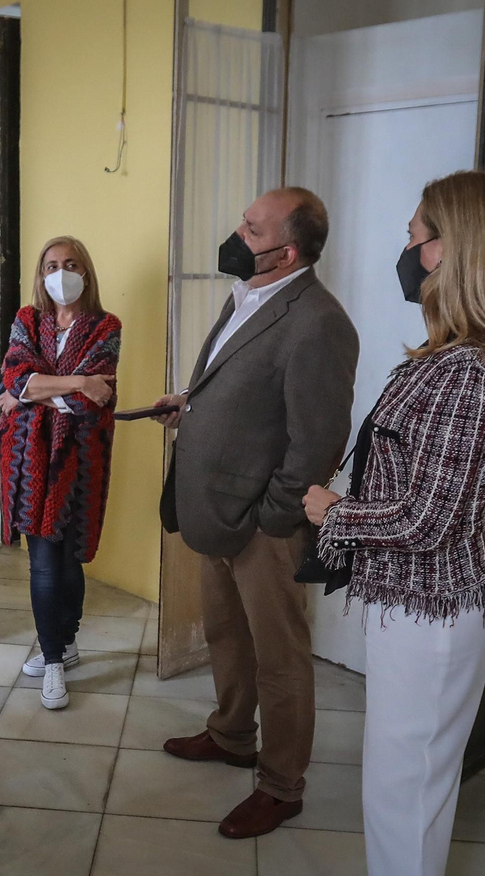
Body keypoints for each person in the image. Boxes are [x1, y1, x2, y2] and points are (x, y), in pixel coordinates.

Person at [303, 171, 485, 876]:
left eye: (417, 236)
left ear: (456, 251)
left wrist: (334, 510)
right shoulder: (460, 359)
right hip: (427, 605)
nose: (407, 249)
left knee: (404, 798)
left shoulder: (470, 373)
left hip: (434, 613)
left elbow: (427, 519)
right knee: (409, 791)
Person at [152, 187, 358, 839]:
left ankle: (281, 784)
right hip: (213, 508)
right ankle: (232, 733)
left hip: (263, 525)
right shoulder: (246, 295)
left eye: (251, 227)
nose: (237, 234)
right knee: (225, 633)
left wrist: (271, 515)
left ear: (286, 251)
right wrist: (191, 402)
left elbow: (318, 439)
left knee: (280, 657)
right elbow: (247, 390)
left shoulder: (319, 320)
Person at [0, 237, 122, 710]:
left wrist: (33, 394)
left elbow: (94, 399)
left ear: (85, 272)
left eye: (70, 264)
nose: (61, 272)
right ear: (40, 273)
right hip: (30, 463)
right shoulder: (27, 321)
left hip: (83, 459)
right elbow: (15, 377)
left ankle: (67, 643)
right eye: (51, 264)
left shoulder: (107, 326)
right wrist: (72, 383)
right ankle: (51, 660)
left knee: (70, 558)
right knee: (45, 562)